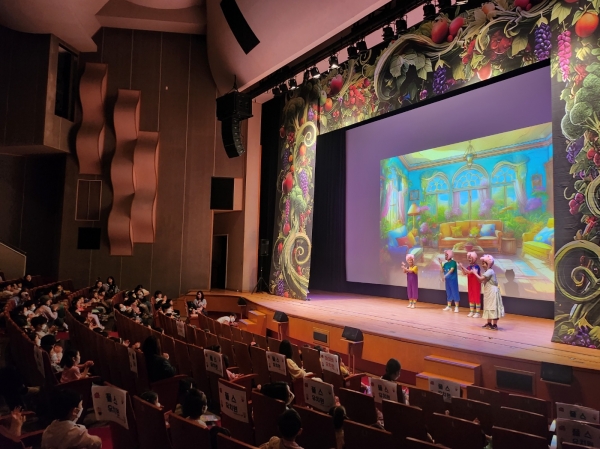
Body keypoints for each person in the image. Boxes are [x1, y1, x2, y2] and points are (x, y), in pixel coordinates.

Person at [470, 254, 505, 330]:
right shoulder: (487, 272)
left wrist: (475, 273)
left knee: (493, 307)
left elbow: (480, 279)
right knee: (488, 307)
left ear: (488, 264)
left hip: (492, 292)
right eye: (482, 263)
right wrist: (475, 273)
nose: (482, 265)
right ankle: (489, 323)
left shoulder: (490, 271)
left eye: (484, 263)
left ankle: (494, 325)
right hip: (488, 292)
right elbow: (480, 281)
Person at [458, 252, 482, 318]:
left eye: (471, 258)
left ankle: (477, 313)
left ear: (474, 258)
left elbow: (469, 272)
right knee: (471, 297)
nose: (469, 259)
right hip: (470, 284)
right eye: (468, 258)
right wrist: (461, 267)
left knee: (476, 297)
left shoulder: (476, 266)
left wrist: (462, 266)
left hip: (476, 284)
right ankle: (471, 311)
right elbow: (464, 273)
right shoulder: (469, 267)